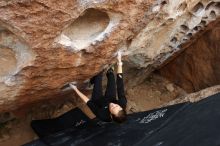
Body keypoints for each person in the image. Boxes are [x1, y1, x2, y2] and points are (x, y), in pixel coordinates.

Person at [70, 52, 127, 123]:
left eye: (113, 108)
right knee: (111, 76)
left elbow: (88, 102)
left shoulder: (102, 115)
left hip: (98, 100)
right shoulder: (122, 103)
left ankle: (93, 81)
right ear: (121, 107)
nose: (113, 105)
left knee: (99, 74)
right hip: (111, 98)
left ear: (111, 115)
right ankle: (110, 71)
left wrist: (75, 89)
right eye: (117, 106)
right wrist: (119, 62)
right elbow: (120, 85)